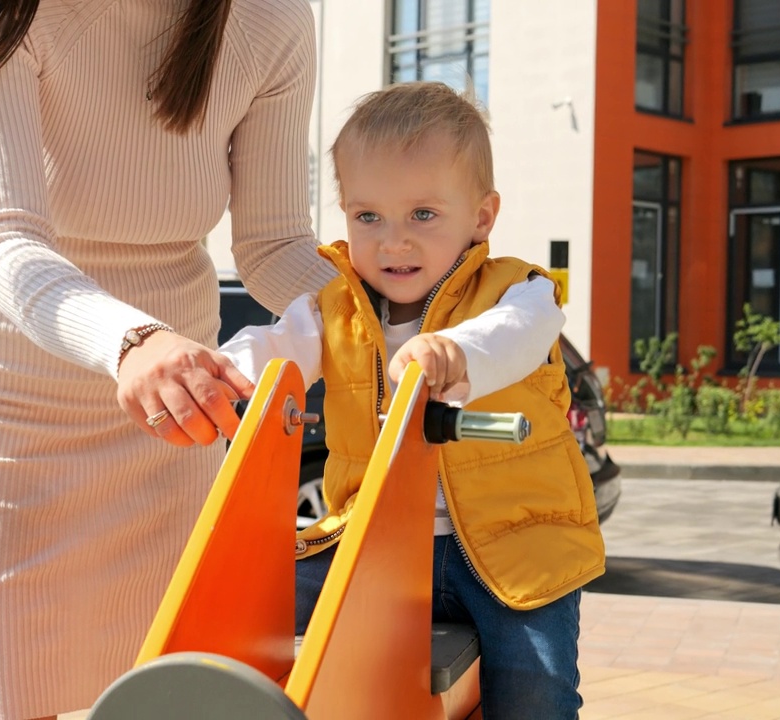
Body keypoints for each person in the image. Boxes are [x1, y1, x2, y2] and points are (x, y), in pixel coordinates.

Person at [0, 0, 336, 716]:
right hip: (3, 425)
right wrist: (133, 341)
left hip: (167, 435)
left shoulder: (273, 20)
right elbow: (6, 240)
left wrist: (410, 317)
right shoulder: (1, 9)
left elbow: (274, 245)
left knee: (167, 703)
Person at [219, 81, 607, 719]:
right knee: (254, 610)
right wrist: (218, 371)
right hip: (368, 540)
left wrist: (454, 353)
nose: (392, 242)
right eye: (368, 217)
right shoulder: (333, 308)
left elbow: (516, 337)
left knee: (537, 689)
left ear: (481, 216)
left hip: (511, 549)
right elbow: (273, 345)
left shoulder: (521, 291)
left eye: (422, 215)